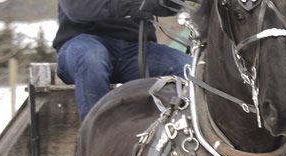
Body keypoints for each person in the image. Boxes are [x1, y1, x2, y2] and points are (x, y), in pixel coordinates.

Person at [53, 0, 195, 119]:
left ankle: (180, 134)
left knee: (188, 67)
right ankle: (98, 135)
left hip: (135, 49)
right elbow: (77, 9)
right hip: (82, 46)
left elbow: (166, 7)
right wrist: (133, 5)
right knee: (92, 57)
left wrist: (165, 3)